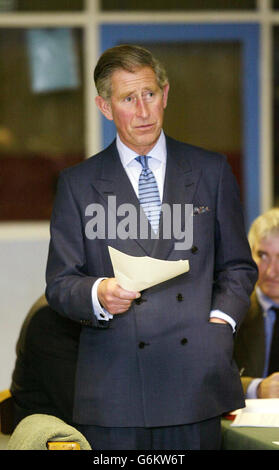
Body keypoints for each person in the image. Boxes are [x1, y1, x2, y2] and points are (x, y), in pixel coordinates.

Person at [45, 44, 257, 450]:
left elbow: (238, 266)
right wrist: (98, 294)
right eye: (128, 98)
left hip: (195, 382)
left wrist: (220, 323)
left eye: (150, 94)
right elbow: (60, 283)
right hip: (116, 389)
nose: (143, 110)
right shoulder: (78, 184)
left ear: (165, 95)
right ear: (105, 107)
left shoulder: (211, 171)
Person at [10, 294, 80, 428]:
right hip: (52, 436)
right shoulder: (51, 317)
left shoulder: (66, 303)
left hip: (73, 426)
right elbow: (79, 407)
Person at [234, 208, 279, 399]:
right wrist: (256, 388)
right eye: (263, 256)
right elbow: (208, 377)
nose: (271, 271)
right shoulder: (232, 309)